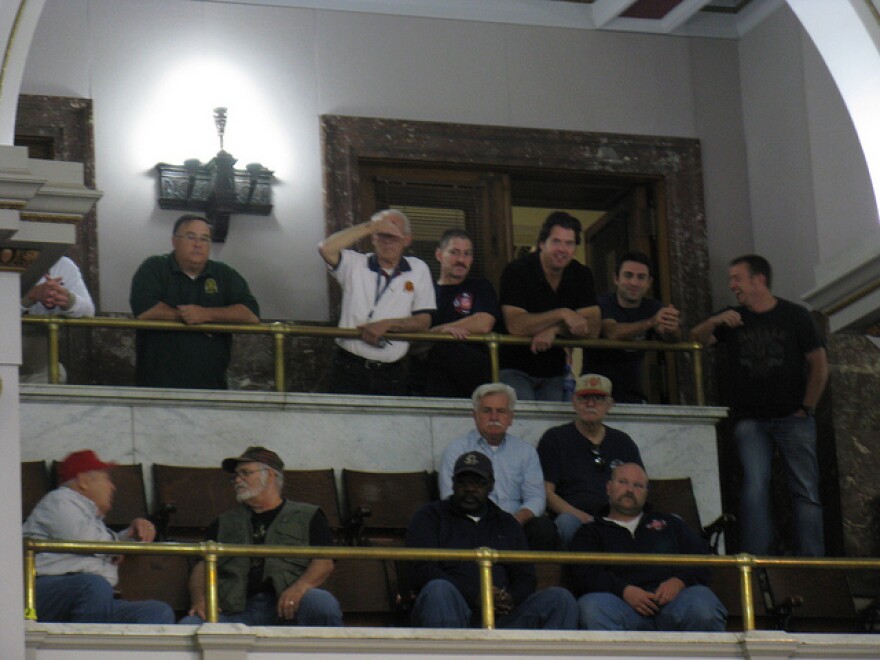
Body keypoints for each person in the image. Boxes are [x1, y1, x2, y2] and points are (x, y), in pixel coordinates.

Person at [690, 254, 828, 556]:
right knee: (754, 489)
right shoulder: (733, 317)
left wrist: (807, 407)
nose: (732, 286)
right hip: (751, 420)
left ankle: (815, 566)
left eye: (737, 278)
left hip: (794, 417)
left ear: (759, 280)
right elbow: (694, 339)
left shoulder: (795, 316)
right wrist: (715, 320)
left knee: (805, 491)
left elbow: (818, 363)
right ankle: (755, 564)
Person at [406, 451, 578, 629]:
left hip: (502, 617)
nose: (470, 488)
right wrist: (477, 596)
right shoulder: (430, 517)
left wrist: (509, 598)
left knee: (560, 599)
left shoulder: (507, 523)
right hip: (452, 608)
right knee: (438, 590)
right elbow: (422, 569)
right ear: (453, 484)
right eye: (463, 482)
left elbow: (525, 576)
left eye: (478, 483)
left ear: (491, 486)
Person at [179, 446, 342, 626]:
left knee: (320, 603)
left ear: (270, 475)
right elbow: (201, 567)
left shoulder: (308, 515)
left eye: (245, 473)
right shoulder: (224, 522)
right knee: (189, 626)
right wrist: (200, 600)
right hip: (235, 611)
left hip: (289, 608)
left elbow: (324, 561)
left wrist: (299, 588)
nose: (237, 480)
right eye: (235, 476)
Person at [570, 462, 727, 631]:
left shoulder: (671, 523)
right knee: (591, 608)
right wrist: (625, 591)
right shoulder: (590, 531)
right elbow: (583, 573)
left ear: (646, 493)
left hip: (675, 604)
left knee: (702, 603)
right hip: (621, 607)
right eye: (623, 482)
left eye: (638, 485)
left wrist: (679, 581)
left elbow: (702, 556)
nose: (630, 490)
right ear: (608, 487)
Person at [22, 450, 174, 624]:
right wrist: (117, 548)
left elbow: (103, 543)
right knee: (94, 586)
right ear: (84, 482)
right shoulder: (59, 500)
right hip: (38, 595)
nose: (112, 487)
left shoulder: (89, 515)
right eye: (106, 479)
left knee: (156, 612)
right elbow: (86, 540)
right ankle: (83, 651)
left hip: (90, 599)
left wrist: (134, 534)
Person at [129, 214, 260, 389]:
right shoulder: (154, 268)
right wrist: (186, 316)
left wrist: (206, 315)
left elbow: (251, 315)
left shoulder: (224, 274)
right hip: (157, 386)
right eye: (190, 237)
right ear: (174, 241)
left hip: (211, 386)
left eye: (205, 239)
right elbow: (146, 311)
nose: (198, 244)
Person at [318, 209, 436, 395]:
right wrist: (371, 225)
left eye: (394, 236)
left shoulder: (418, 269)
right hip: (349, 366)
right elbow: (326, 248)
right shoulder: (355, 264)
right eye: (382, 235)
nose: (388, 242)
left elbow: (424, 322)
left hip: (392, 371)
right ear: (373, 238)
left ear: (407, 240)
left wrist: (388, 325)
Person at [438, 383, 556, 549]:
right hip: (474, 525)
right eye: (487, 411)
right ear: (475, 415)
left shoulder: (526, 451)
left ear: (510, 417)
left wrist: (516, 519)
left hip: (517, 525)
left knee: (543, 528)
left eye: (501, 411)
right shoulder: (456, 450)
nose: (494, 417)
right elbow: (449, 497)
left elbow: (536, 497)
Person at [497, 211, 600, 401]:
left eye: (569, 243)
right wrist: (562, 313)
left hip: (555, 373)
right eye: (556, 241)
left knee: (555, 428)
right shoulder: (517, 271)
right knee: (526, 426)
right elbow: (516, 325)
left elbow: (592, 328)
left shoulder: (581, 274)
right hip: (514, 369)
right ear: (542, 243)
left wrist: (555, 329)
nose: (562, 249)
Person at [537, 373, 644, 548]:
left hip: (617, 519)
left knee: (666, 523)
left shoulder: (623, 442)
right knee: (566, 523)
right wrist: (584, 518)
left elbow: (639, 488)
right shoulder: (555, 438)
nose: (590, 404)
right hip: (575, 519)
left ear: (609, 405)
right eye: (584, 398)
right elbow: (546, 493)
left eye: (598, 398)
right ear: (574, 401)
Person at [583, 251, 681, 403]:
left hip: (632, 395)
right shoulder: (601, 302)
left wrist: (671, 328)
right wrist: (650, 322)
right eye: (628, 275)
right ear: (616, 278)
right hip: (594, 395)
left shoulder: (652, 307)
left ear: (649, 282)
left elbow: (671, 336)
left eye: (641, 277)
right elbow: (612, 332)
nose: (634, 283)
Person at [422, 229, 500, 397]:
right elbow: (415, 342)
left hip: (473, 380)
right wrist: (440, 334)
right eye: (454, 253)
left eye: (467, 254)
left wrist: (441, 330)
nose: (461, 260)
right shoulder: (426, 292)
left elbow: (484, 323)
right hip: (432, 380)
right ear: (439, 254)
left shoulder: (480, 286)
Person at [20, 252, 95, 383]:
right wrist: (30, 297)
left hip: (39, 371)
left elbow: (88, 311)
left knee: (56, 375)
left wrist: (67, 299)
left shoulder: (62, 264)